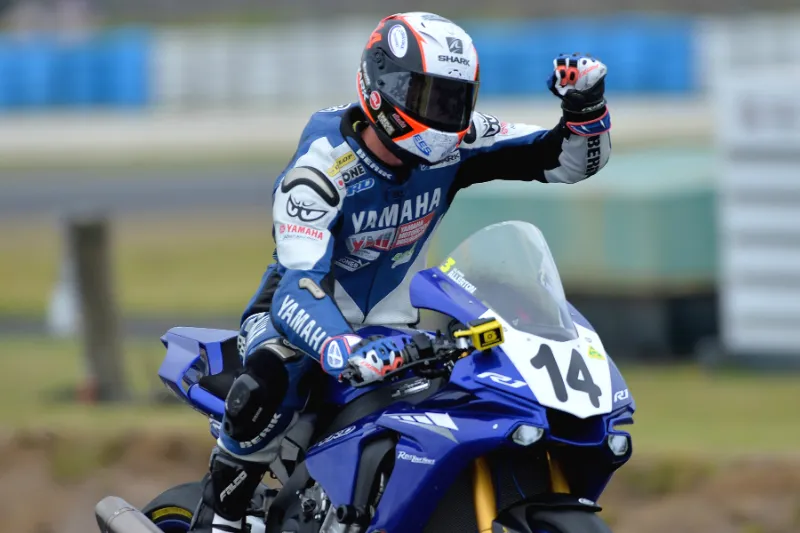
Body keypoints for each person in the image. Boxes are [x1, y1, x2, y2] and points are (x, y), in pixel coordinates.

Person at [200, 11, 611, 533]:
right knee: (270, 377)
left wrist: (584, 109)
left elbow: (563, 162)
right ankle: (221, 517)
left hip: (397, 328)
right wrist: (341, 348)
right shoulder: (319, 170)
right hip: (298, 320)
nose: (445, 116)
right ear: (382, 89)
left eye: (455, 100)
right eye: (430, 98)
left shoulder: (456, 142)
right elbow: (296, 287)